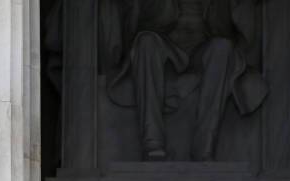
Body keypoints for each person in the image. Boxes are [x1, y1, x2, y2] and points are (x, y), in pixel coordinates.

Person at [99, 0, 268, 160]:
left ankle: (204, 148)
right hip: (165, 49)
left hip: (202, 52)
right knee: (145, 41)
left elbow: (228, 30)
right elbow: (139, 22)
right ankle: (152, 143)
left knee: (223, 47)